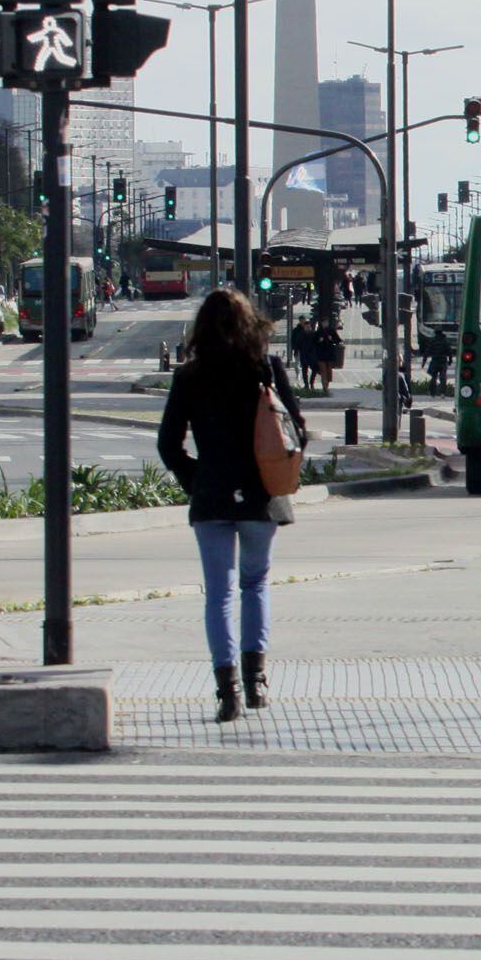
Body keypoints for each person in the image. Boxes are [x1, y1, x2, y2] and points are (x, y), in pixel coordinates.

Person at [157, 286, 307, 724]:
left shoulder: (190, 376)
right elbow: (295, 430)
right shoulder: (266, 369)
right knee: (255, 584)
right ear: (249, 324)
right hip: (262, 493)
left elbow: (168, 444)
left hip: (212, 494)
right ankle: (257, 680)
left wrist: (196, 477)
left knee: (218, 594)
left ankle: (228, 691)